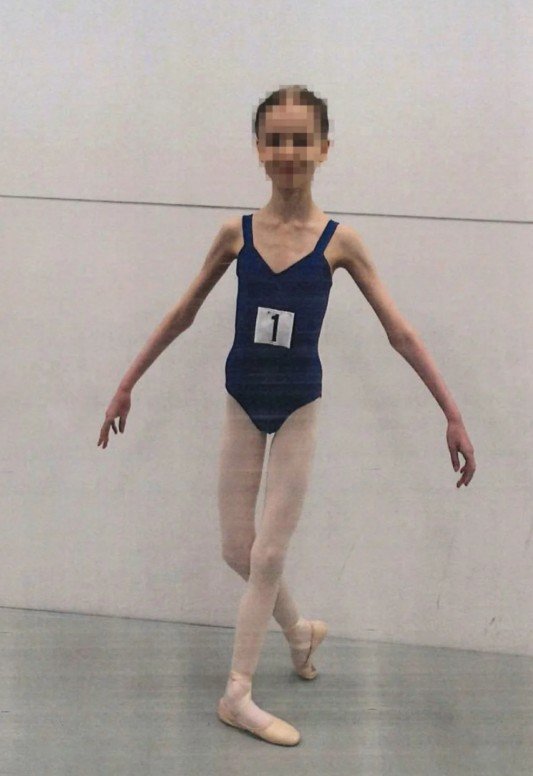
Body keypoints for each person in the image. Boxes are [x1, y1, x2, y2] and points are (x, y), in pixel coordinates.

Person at [97, 84, 476, 746]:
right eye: (276, 139)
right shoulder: (236, 235)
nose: (288, 152)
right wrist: (127, 384)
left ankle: (237, 693)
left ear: (323, 148)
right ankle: (299, 633)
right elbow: (184, 312)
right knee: (236, 550)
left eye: (301, 140)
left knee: (269, 553)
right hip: (241, 400)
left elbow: (399, 332)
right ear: (258, 148)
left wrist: (451, 413)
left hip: (299, 404)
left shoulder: (339, 242)